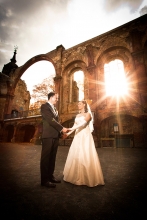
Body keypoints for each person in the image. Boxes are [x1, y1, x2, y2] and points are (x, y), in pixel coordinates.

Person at [63, 100, 105, 187]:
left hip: (85, 136)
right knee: (76, 155)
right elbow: (74, 126)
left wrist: (69, 129)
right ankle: (75, 176)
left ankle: (87, 177)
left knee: (85, 154)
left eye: (80, 104)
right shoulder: (77, 115)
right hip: (77, 136)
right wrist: (68, 133)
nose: (78, 105)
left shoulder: (88, 114)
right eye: (78, 103)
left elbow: (83, 124)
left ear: (84, 105)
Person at [40, 92, 68, 188]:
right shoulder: (44, 107)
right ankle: (44, 180)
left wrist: (61, 134)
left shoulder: (55, 109)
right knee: (45, 159)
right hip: (47, 136)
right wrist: (61, 128)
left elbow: (56, 121)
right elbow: (50, 120)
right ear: (51, 97)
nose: (57, 99)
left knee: (52, 158)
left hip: (55, 136)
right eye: (56, 97)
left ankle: (50, 177)